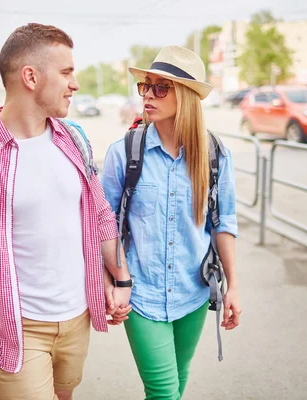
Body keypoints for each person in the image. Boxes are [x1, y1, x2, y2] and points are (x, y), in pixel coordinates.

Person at [0, 23, 132, 400]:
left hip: (79, 318)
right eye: (66, 72)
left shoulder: (73, 139)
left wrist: (119, 278)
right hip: (17, 331)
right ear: (30, 76)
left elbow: (100, 216)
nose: (74, 84)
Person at [101, 46, 242, 400]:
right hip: (141, 294)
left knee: (178, 382)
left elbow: (224, 222)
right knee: (163, 392)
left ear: (186, 96)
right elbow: (104, 225)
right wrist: (113, 280)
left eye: (160, 87)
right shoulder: (124, 153)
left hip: (193, 292)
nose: (148, 94)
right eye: (145, 86)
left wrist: (233, 286)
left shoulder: (214, 155)